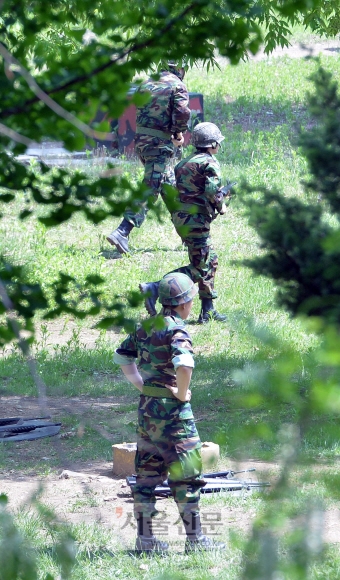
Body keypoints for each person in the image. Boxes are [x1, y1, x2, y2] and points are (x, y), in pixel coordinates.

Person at [113, 272, 226, 554]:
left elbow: (122, 355)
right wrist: (180, 391)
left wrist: (141, 384)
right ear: (186, 302)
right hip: (174, 416)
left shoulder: (146, 326)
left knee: (147, 476)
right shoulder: (177, 330)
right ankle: (196, 541)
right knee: (186, 474)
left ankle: (146, 541)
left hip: (147, 413)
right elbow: (184, 365)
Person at [140, 122, 232, 324]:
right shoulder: (210, 162)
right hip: (196, 221)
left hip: (183, 220)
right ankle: (155, 287)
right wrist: (222, 201)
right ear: (213, 143)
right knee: (200, 267)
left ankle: (207, 311)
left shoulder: (185, 163)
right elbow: (211, 191)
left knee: (210, 259)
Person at [107, 60, 191, 254]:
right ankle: (122, 231)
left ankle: (190, 237)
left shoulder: (146, 83)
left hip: (142, 143)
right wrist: (178, 134)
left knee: (169, 189)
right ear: (180, 69)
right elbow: (182, 113)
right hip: (159, 145)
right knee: (150, 188)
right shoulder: (178, 85)